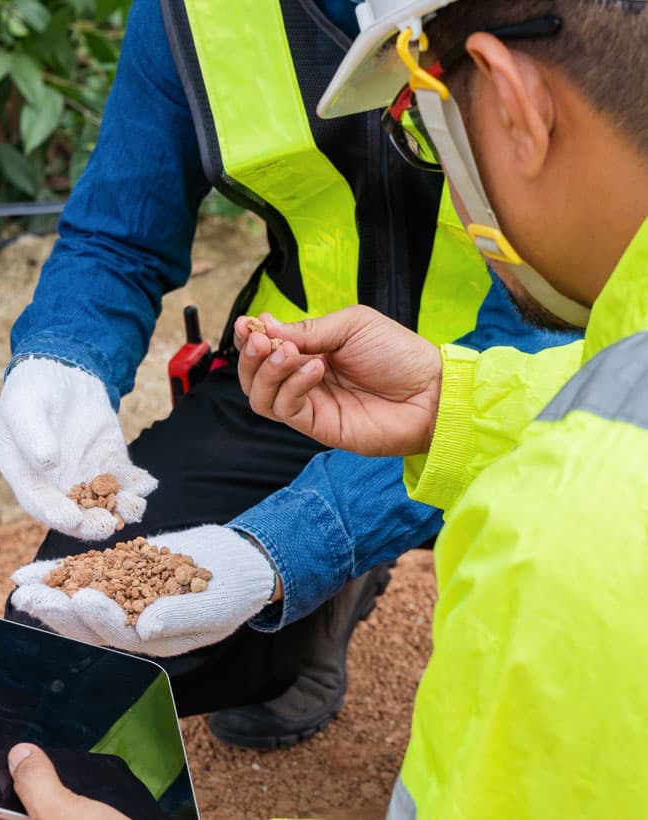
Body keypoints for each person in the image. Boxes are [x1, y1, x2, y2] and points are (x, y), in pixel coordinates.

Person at [0, 0, 576, 751]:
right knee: (72, 641)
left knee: (568, 661)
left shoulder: (564, 21)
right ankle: (307, 622)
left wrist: (288, 544)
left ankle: (332, 566)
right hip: (295, 380)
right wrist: (63, 356)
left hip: (529, 375)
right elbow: (120, 232)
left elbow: (548, 330)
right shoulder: (188, 13)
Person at [234, 0, 648, 816]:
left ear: (513, 103)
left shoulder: (568, 538)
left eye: (428, 134)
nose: (462, 208)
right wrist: (455, 401)